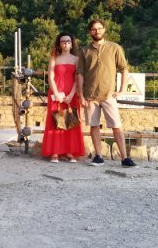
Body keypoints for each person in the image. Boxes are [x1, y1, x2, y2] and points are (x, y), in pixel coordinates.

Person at [77, 19, 137, 167]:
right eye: (93, 29)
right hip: (90, 95)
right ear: (90, 32)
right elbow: (80, 74)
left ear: (104, 29)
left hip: (109, 95)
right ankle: (98, 156)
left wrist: (122, 90)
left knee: (116, 126)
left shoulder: (115, 48)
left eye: (99, 28)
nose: (96, 31)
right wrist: (81, 95)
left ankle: (124, 158)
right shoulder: (84, 51)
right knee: (94, 126)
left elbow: (124, 69)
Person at [42, 32, 86, 163]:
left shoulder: (76, 59)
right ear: (59, 44)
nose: (65, 43)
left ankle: (69, 151)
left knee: (70, 121)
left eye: (68, 41)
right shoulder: (54, 58)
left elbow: (77, 78)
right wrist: (56, 93)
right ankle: (54, 152)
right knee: (55, 122)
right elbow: (50, 77)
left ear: (72, 44)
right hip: (56, 93)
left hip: (71, 94)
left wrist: (72, 94)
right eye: (63, 41)